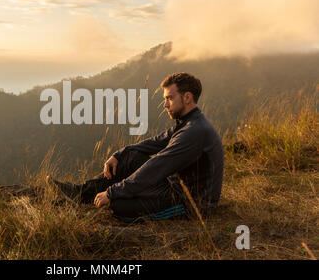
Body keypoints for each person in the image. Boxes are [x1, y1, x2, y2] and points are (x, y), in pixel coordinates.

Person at [47, 72, 224, 222]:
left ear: (187, 97)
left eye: (170, 98)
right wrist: (120, 154)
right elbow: (154, 142)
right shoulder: (187, 123)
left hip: (188, 203)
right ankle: (79, 193)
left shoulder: (193, 132)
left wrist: (112, 193)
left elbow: (156, 167)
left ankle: (95, 198)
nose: (165, 104)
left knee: (120, 207)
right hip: (173, 187)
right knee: (129, 156)